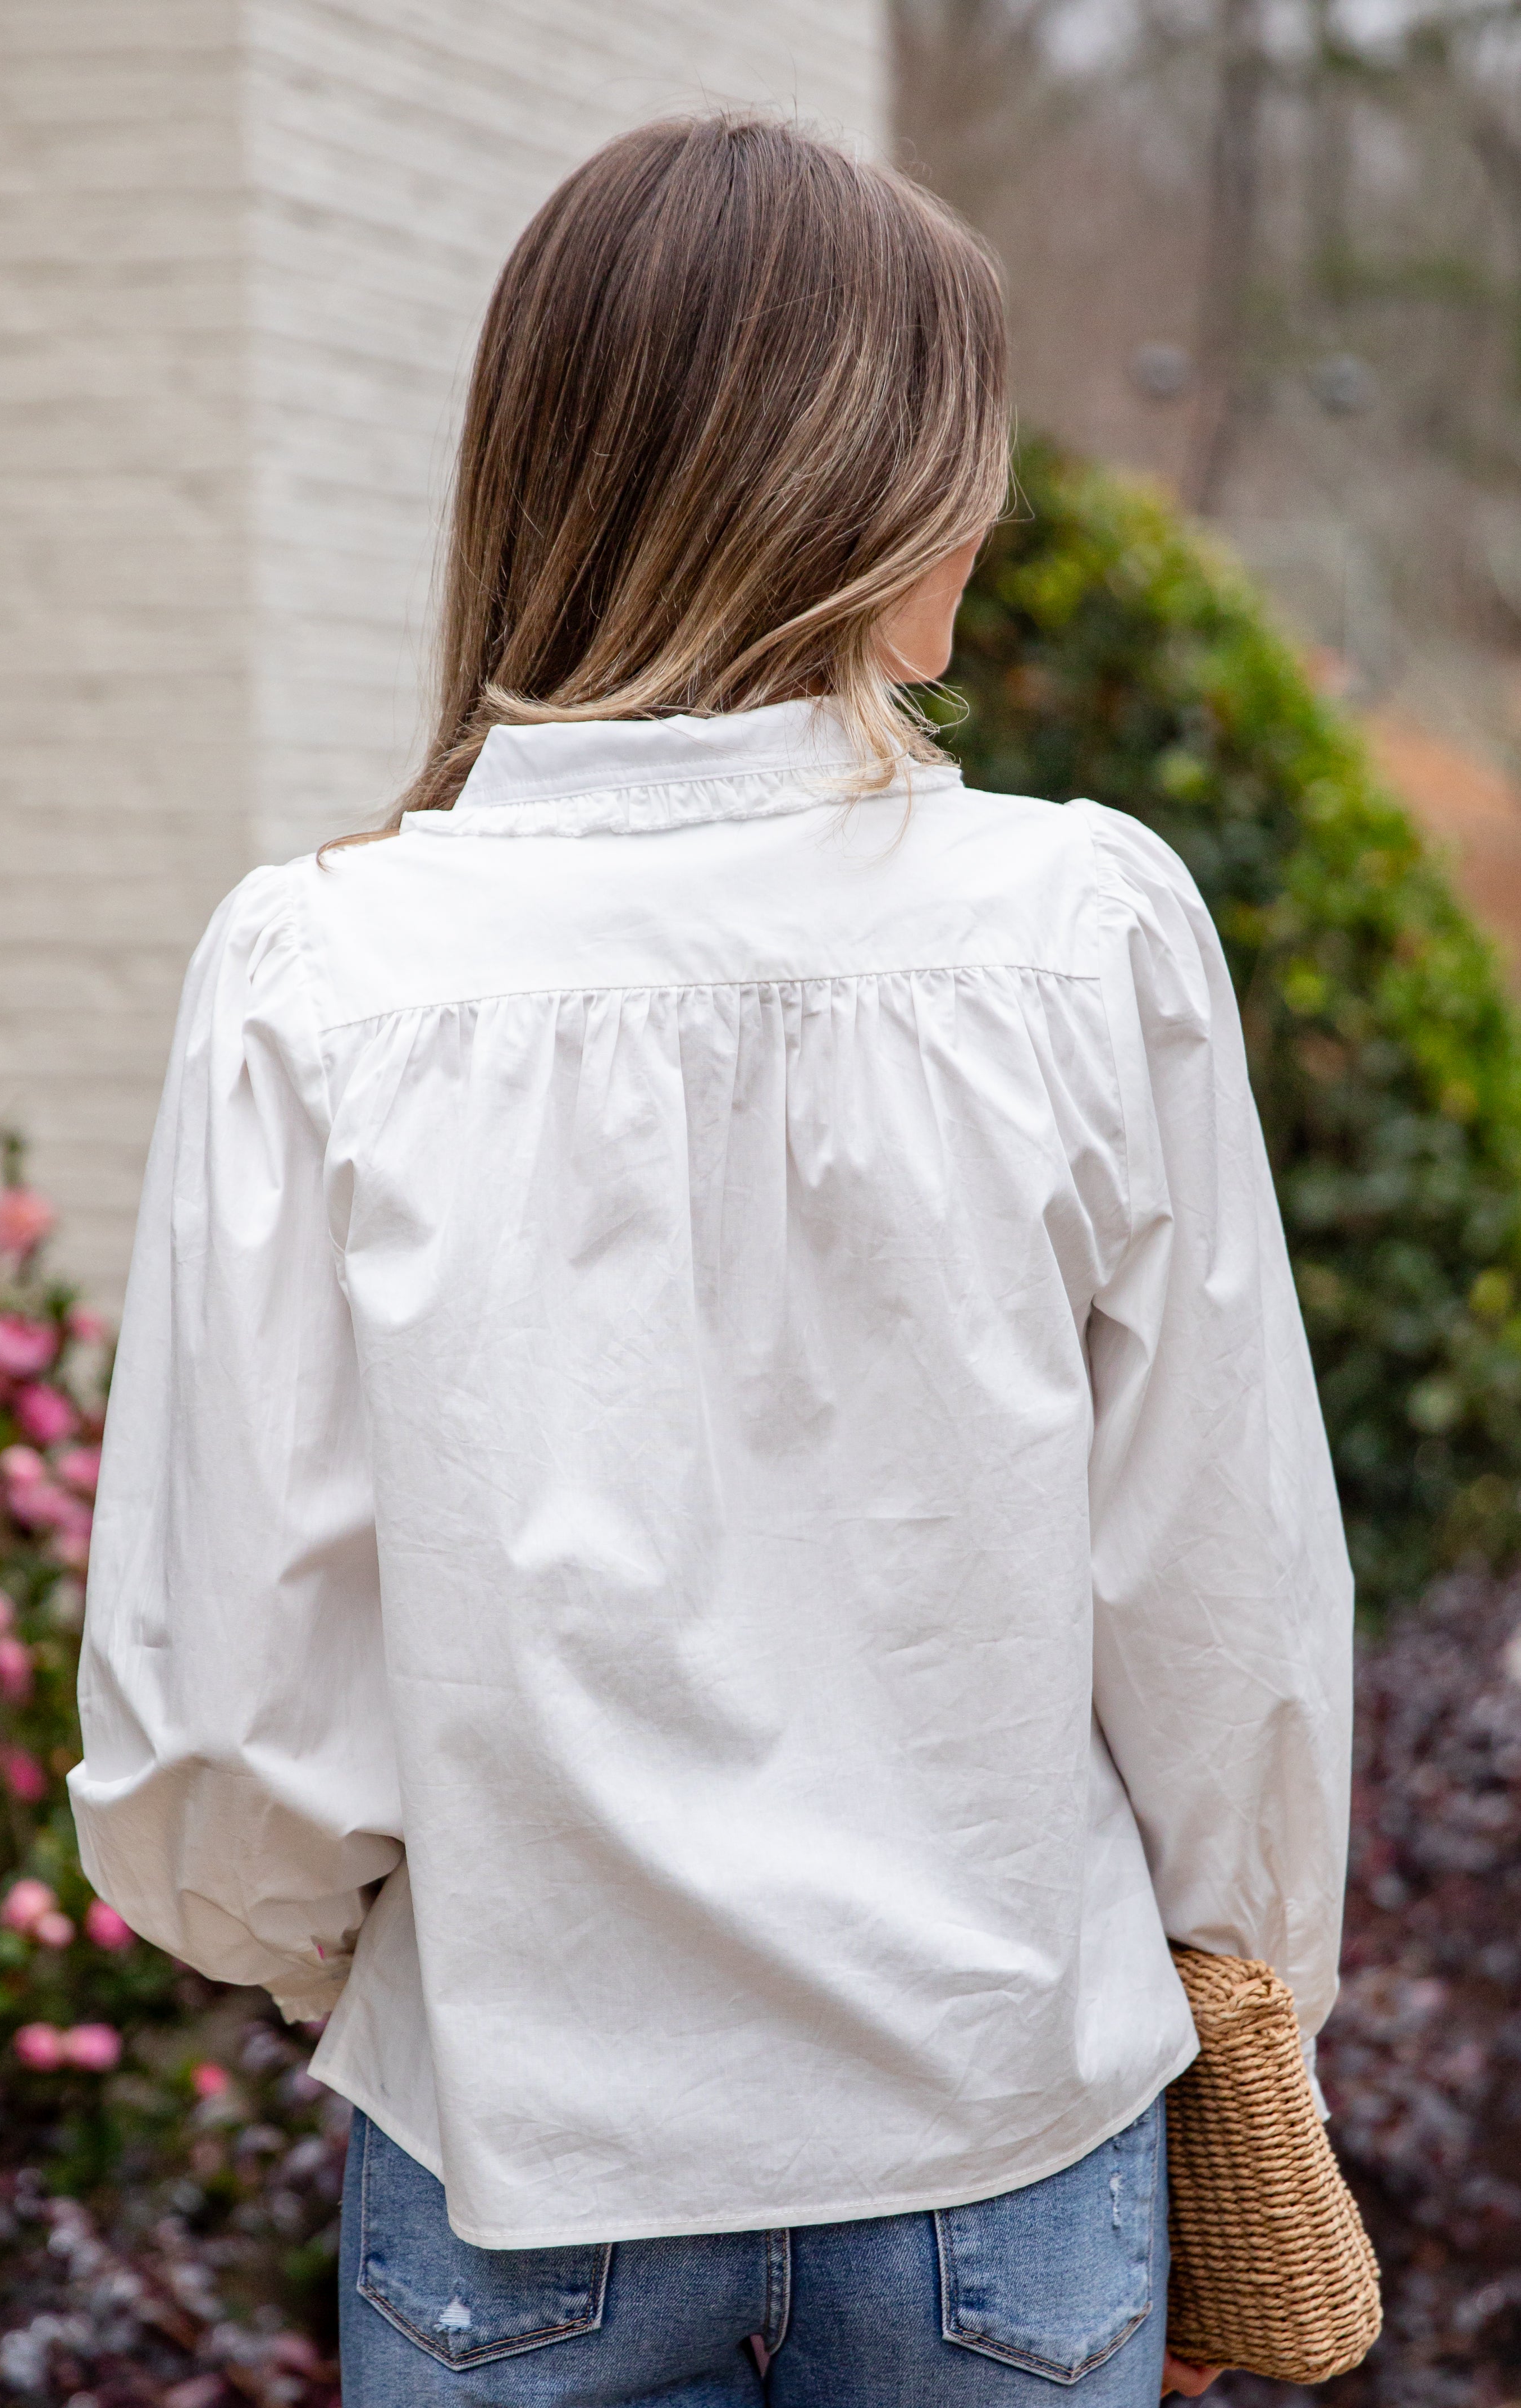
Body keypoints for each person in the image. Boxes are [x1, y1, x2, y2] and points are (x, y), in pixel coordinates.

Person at [70, 115, 1354, 2408]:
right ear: (847, 490)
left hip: (515, 2164)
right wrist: (1240, 1986)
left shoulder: (321, 968)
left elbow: (226, 1720)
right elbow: (1221, 1613)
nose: (990, 516)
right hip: (1008, 2151)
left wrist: (334, 1953)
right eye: (957, 456)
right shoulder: (1084, 933)